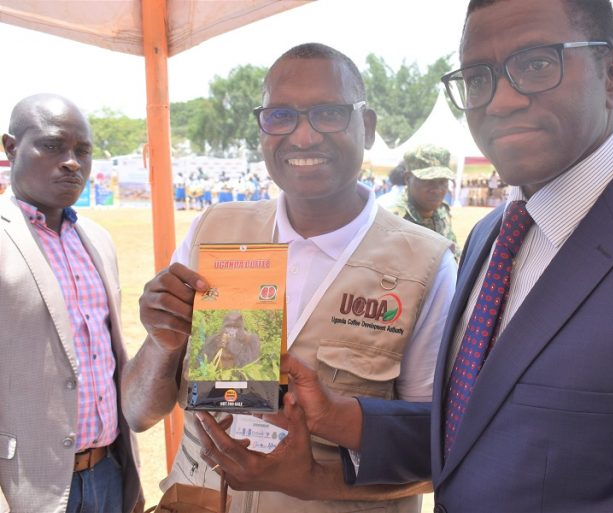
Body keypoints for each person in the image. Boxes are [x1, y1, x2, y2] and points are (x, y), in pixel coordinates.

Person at [192, 1, 613, 512]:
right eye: (478, 77)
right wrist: (342, 420)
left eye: (537, 64)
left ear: (612, 75)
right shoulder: (493, 235)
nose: (504, 98)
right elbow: (476, 428)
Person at [121, 43, 457, 513]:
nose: (302, 137)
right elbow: (138, 413)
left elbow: (438, 451)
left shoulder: (424, 266)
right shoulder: (212, 231)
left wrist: (313, 481)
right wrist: (162, 341)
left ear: (370, 128)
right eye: (281, 116)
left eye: (328, 114)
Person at [0, 94, 143, 513]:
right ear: (10, 148)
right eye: (52, 146)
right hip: (29, 486)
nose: (72, 162)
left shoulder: (97, 240)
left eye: (83, 151)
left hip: (109, 473)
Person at [387, 144, 460, 259]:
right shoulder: (392, 219)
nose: (436, 190)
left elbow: (453, 253)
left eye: (443, 181)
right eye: (428, 181)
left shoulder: (442, 210)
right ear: (407, 179)